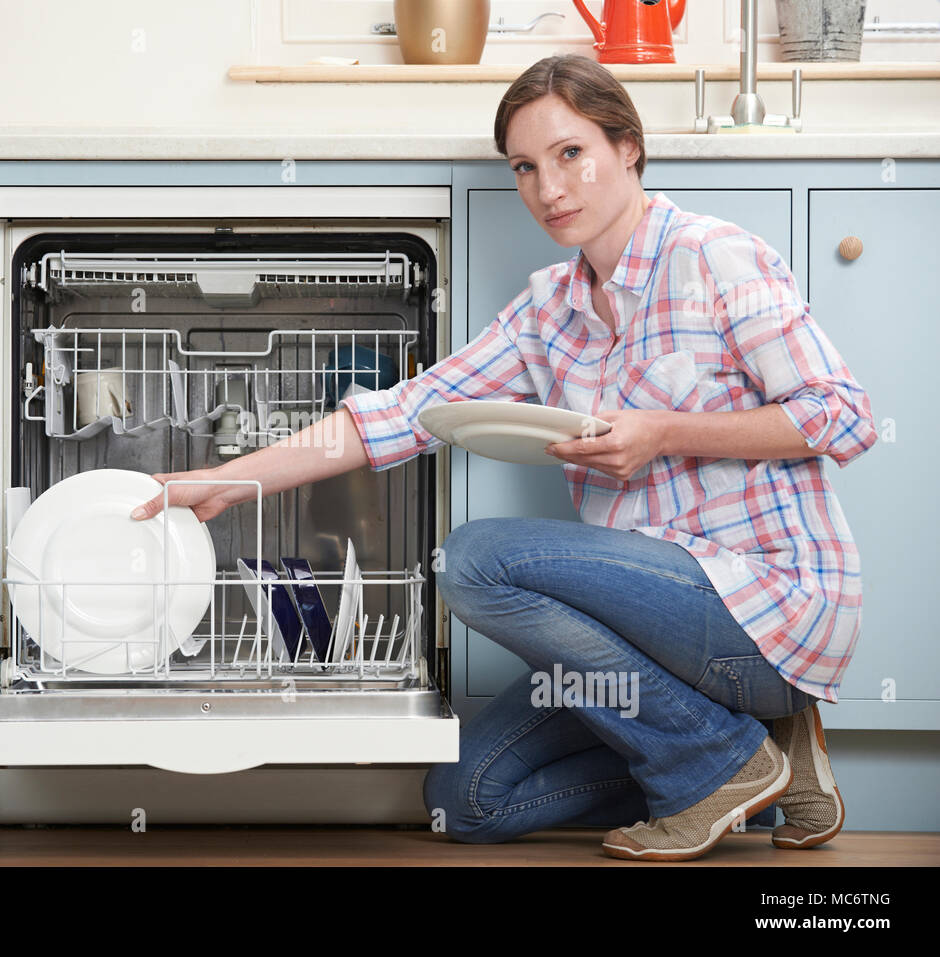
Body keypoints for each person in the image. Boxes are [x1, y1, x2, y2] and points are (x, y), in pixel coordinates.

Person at [130, 54, 875, 862]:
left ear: (628, 147)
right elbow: (405, 413)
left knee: (474, 560)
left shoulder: (714, 257)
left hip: (763, 610)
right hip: (647, 637)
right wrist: (226, 480)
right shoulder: (547, 309)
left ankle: (715, 759)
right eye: (525, 167)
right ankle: (753, 760)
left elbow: (842, 414)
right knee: (466, 799)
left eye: (570, 154)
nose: (549, 188)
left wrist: (664, 431)